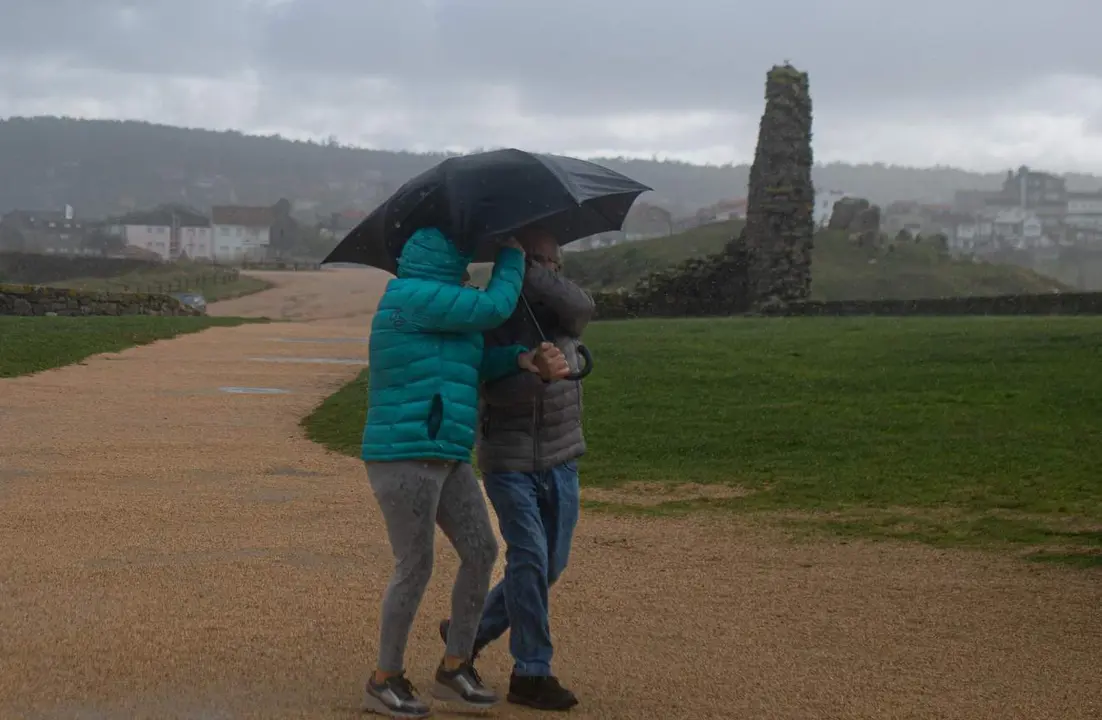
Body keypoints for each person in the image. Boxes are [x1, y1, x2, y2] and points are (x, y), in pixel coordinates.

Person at [361, 226, 570, 718]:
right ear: (441, 261)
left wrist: (522, 359)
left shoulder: (440, 303)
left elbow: (473, 358)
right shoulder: (410, 296)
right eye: (460, 259)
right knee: (415, 565)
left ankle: (455, 665)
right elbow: (493, 309)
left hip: (445, 452)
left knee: (482, 550)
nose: (465, 268)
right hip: (404, 453)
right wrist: (512, 257)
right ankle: (384, 678)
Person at [439, 227, 594, 711]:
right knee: (528, 555)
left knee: (551, 564)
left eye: (552, 265)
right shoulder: (493, 314)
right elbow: (491, 390)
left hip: (561, 455)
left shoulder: (562, 312)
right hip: (508, 459)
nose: (548, 272)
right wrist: (531, 370)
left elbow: (583, 308)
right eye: (537, 263)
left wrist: (533, 274)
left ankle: (469, 631)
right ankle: (532, 671)